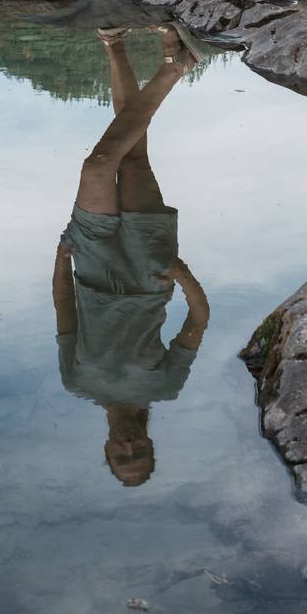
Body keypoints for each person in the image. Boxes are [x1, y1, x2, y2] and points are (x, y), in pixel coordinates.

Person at [52, 25, 210, 486]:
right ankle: (170, 62)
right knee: (133, 160)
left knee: (100, 164)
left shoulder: (77, 382)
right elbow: (197, 321)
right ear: (150, 444)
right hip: (147, 267)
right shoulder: (166, 387)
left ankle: (133, 50)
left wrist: (62, 259)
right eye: (139, 453)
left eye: (122, 457)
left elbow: (65, 312)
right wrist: (178, 272)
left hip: (93, 261)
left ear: (107, 451)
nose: (128, 446)